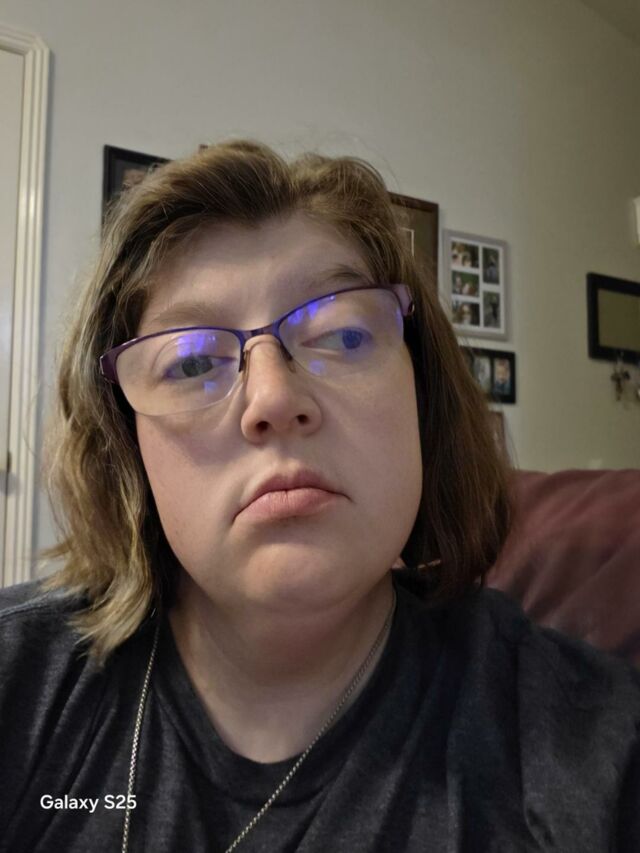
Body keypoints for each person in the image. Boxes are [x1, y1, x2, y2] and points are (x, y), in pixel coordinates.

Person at [1, 140, 638, 853]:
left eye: (344, 335)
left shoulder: (590, 748)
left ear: (422, 396)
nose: (273, 399)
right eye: (191, 360)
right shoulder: (19, 687)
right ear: (127, 445)